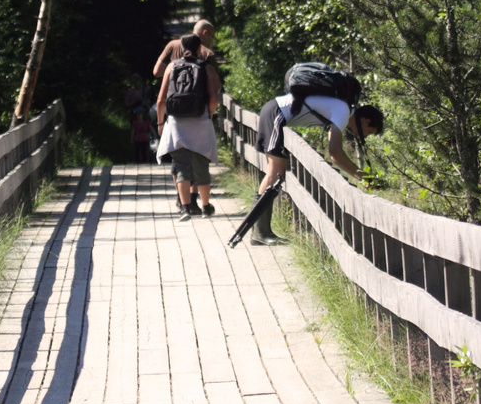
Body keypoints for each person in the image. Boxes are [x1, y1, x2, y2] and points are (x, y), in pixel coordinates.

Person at [250, 86, 384, 245]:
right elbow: (335, 153)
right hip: (276, 114)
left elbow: (333, 147)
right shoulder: (343, 112)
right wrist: (363, 177)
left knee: (277, 173)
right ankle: (260, 232)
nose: (365, 136)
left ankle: (260, 231)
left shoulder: (341, 111)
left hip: (275, 112)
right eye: (369, 131)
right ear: (365, 121)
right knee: (275, 173)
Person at [155, 33, 221, 220]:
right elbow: (214, 98)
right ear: (200, 48)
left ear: (182, 46)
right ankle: (206, 207)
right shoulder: (206, 68)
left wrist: (161, 123)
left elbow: (160, 100)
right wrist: (208, 114)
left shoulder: (171, 66)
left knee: (181, 166)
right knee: (201, 165)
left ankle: (184, 208)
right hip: (200, 122)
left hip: (176, 123)